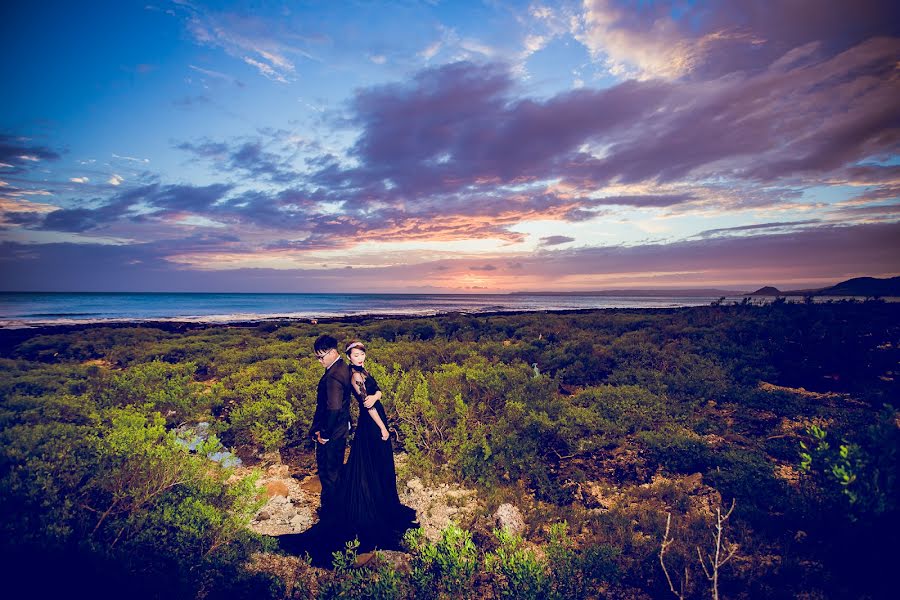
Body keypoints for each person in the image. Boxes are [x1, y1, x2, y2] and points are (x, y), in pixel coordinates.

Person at [335, 340, 417, 551]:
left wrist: (376, 395)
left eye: (361, 354)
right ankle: (372, 504)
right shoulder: (355, 376)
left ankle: (382, 501)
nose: (359, 358)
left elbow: (378, 392)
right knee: (374, 463)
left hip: (377, 419)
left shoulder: (364, 371)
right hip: (372, 423)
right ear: (349, 357)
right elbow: (367, 407)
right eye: (355, 355)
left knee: (381, 463)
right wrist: (382, 428)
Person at [308, 334, 353, 519]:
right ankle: (336, 511)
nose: (319, 361)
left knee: (328, 474)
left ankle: (331, 516)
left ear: (333, 352)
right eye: (317, 357)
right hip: (342, 429)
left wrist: (324, 434)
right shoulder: (344, 368)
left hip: (332, 434)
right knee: (335, 471)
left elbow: (333, 408)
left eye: (321, 356)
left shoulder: (334, 376)